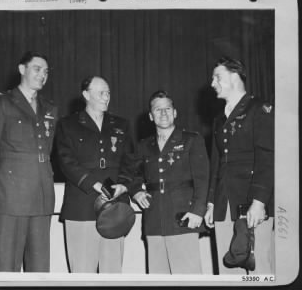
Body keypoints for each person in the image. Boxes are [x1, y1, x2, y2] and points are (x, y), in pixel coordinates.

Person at [0, 52, 57, 272]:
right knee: (5, 266)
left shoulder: (50, 109)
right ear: (22, 70)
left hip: (41, 196)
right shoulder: (1, 102)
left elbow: (46, 152)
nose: (42, 75)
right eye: (37, 69)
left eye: (46, 71)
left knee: (39, 269)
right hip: (9, 197)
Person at [204, 56, 274, 274]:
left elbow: (267, 157)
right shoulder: (218, 119)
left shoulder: (259, 109)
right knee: (228, 273)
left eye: (218, 77)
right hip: (224, 204)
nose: (212, 83)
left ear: (234, 76)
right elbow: (216, 163)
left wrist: (259, 201)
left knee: (258, 269)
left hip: (250, 204)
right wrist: (211, 203)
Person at [55, 76, 133, 273]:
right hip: (81, 206)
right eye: (101, 93)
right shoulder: (67, 124)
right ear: (86, 95)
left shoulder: (121, 125)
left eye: (108, 93)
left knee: (112, 273)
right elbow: (66, 161)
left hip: (115, 207)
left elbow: (131, 161)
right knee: (82, 273)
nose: (106, 97)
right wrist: (94, 184)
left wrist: (123, 184)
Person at [127, 90, 209, 274]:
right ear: (150, 116)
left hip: (184, 217)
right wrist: (135, 191)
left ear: (175, 112)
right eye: (158, 110)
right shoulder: (143, 146)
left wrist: (197, 211)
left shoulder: (192, 140)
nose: (163, 113)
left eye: (167, 109)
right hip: (154, 219)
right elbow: (131, 173)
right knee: (158, 277)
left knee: (188, 278)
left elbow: (203, 179)